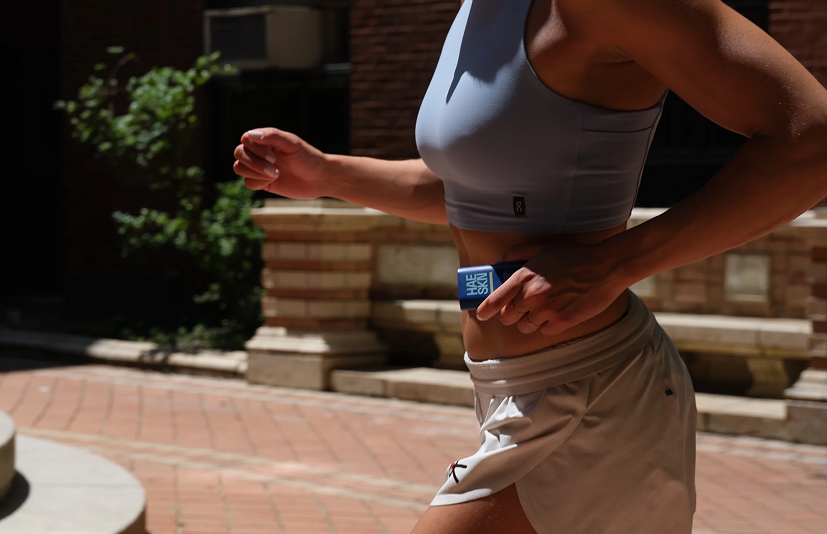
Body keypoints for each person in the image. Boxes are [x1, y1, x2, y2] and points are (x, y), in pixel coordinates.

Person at [234, 0, 827, 532]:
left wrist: (616, 263)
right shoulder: (480, 10)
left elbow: (812, 140)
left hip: (592, 395)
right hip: (510, 385)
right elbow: (478, 191)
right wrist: (329, 174)